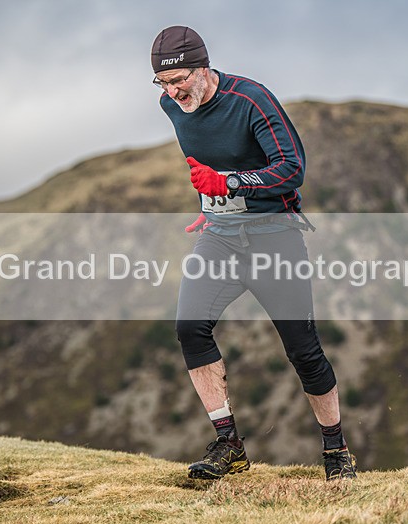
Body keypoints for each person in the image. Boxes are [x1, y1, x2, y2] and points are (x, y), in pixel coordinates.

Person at [151, 26, 356, 481]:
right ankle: (229, 445)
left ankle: (336, 451)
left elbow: (292, 169)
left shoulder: (251, 100)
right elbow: (208, 161)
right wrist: (211, 203)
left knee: (303, 349)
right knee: (189, 328)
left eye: (179, 79)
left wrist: (229, 184)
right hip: (220, 237)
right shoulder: (171, 105)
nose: (172, 92)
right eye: (162, 83)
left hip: (274, 236)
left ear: (203, 68)